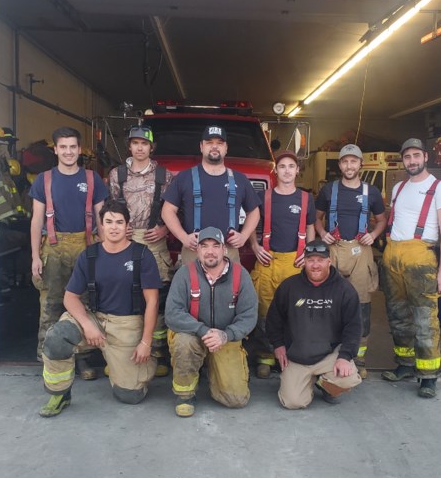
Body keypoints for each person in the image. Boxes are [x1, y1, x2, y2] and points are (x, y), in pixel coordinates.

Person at [37, 201, 163, 417]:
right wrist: (87, 325)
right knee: (58, 336)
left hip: (127, 324)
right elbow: (70, 297)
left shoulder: (142, 255)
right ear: (101, 226)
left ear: (127, 226)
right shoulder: (90, 255)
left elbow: (152, 302)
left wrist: (145, 342)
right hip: (95, 317)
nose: (114, 227)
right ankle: (60, 394)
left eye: (119, 222)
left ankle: (139, 365)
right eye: (109, 222)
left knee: (130, 396)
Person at [379, 138, 441, 399]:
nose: (411, 160)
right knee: (398, 317)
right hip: (393, 256)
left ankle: (428, 376)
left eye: (416, 155)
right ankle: (405, 365)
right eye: (407, 156)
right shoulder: (398, 187)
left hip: (421, 259)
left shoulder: (439, 188)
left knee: (425, 319)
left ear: (425, 157)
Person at [29, 126, 108, 367]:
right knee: (51, 303)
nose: (68, 152)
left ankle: (82, 357)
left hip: (85, 246)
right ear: (55, 150)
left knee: (83, 302)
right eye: (63, 147)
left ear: (79, 149)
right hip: (53, 246)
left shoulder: (91, 178)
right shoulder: (44, 180)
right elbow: (36, 220)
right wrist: (35, 256)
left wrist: (104, 252)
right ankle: (48, 356)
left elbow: (101, 219)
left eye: (73, 147)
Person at [164, 227, 258, 418]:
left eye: (216, 246)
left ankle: (213, 370)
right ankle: (185, 394)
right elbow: (172, 313)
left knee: (236, 400)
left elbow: (249, 315)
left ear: (224, 249)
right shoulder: (184, 274)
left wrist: (226, 335)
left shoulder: (241, 275)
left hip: (225, 338)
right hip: (194, 335)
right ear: (197, 250)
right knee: (183, 342)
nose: (210, 251)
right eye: (204, 246)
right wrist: (203, 330)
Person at [313, 143, 387, 379]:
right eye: (345, 161)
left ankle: (359, 358)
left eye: (353, 161)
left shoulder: (371, 192)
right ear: (340, 164)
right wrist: (321, 233)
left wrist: (374, 235)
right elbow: (316, 218)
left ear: (360, 164)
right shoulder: (329, 191)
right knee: (328, 301)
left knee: (361, 304)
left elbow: (382, 220)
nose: (349, 165)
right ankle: (330, 353)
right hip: (333, 249)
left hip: (361, 250)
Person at [107, 125, 175, 378]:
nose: (139, 148)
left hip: (154, 243)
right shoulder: (117, 174)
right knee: (125, 297)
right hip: (125, 242)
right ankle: (122, 353)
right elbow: (111, 207)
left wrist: (165, 229)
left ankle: (156, 354)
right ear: (129, 146)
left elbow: (175, 209)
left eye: (144, 144)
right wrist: (117, 229)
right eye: (135, 143)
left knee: (155, 301)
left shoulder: (164, 176)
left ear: (151, 147)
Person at [266, 239, 363, 409]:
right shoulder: (289, 287)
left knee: (348, 378)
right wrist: (278, 345)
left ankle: (325, 384)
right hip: (297, 356)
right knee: (293, 402)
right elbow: (274, 319)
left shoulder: (345, 290)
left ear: (329, 261)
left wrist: (345, 356)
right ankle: (307, 382)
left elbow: (354, 327)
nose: (315, 265)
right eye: (310, 260)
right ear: (303, 261)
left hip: (329, 355)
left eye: (320, 260)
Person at [246, 149, 316, 379]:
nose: (287, 171)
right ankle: (265, 358)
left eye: (291, 166)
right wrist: (255, 247)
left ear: (297, 170)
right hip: (268, 261)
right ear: (276, 170)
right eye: (282, 166)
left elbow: (310, 228)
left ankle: (292, 356)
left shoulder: (306, 198)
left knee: (295, 312)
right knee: (265, 312)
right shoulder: (264, 197)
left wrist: (308, 254)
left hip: (294, 263)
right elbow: (251, 222)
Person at [160, 125, 262, 268]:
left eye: (219, 143)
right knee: (192, 290)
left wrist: (244, 235)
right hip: (193, 251)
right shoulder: (184, 177)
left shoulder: (240, 179)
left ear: (226, 148)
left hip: (228, 251)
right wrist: (184, 237)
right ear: (201, 147)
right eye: (209, 143)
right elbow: (167, 211)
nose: (214, 147)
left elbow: (254, 211)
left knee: (230, 290)